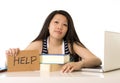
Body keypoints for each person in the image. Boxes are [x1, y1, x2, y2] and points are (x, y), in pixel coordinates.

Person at [6, 10, 102, 73]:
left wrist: (79, 64)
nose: (59, 27)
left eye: (64, 25)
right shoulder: (38, 44)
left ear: (68, 29)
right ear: (48, 26)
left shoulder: (71, 45)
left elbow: (97, 60)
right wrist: (12, 56)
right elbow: (11, 65)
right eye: (56, 22)